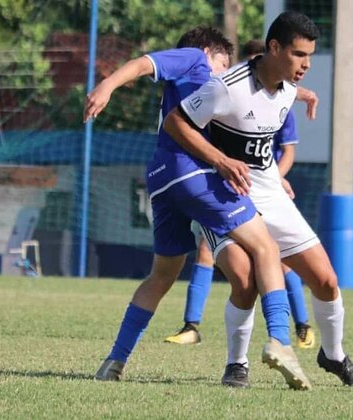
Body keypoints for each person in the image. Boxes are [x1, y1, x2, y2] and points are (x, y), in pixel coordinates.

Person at [84, 26, 311, 390]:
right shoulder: (193, 59)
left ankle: (114, 360)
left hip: (161, 178)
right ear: (209, 52)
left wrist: (299, 93)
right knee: (265, 247)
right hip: (194, 173)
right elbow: (144, 64)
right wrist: (107, 85)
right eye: (222, 63)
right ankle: (281, 341)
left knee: (163, 274)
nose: (224, 71)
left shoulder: (209, 86)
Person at [164, 11, 353, 389]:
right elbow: (175, 122)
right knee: (244, 281)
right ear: (273, 48)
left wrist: (277, 174)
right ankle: (236, 364)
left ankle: (334, 355)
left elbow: (277, 116)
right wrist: (220, 160)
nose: (306, 64)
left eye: (310, 56)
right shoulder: (228, 87)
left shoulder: (287, 89)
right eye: (298, 55)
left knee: (326, 281)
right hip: (223, 196)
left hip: (271, 196)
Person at [164, 39, 315, 350]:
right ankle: (192, 325)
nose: (250, 75)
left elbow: (288, 151)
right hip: (227, 187)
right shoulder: (227, 92)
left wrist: (276, 178)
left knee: (281, 260)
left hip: (264, 187)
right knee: (208, 251)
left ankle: (301, 326)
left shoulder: (281, 99)